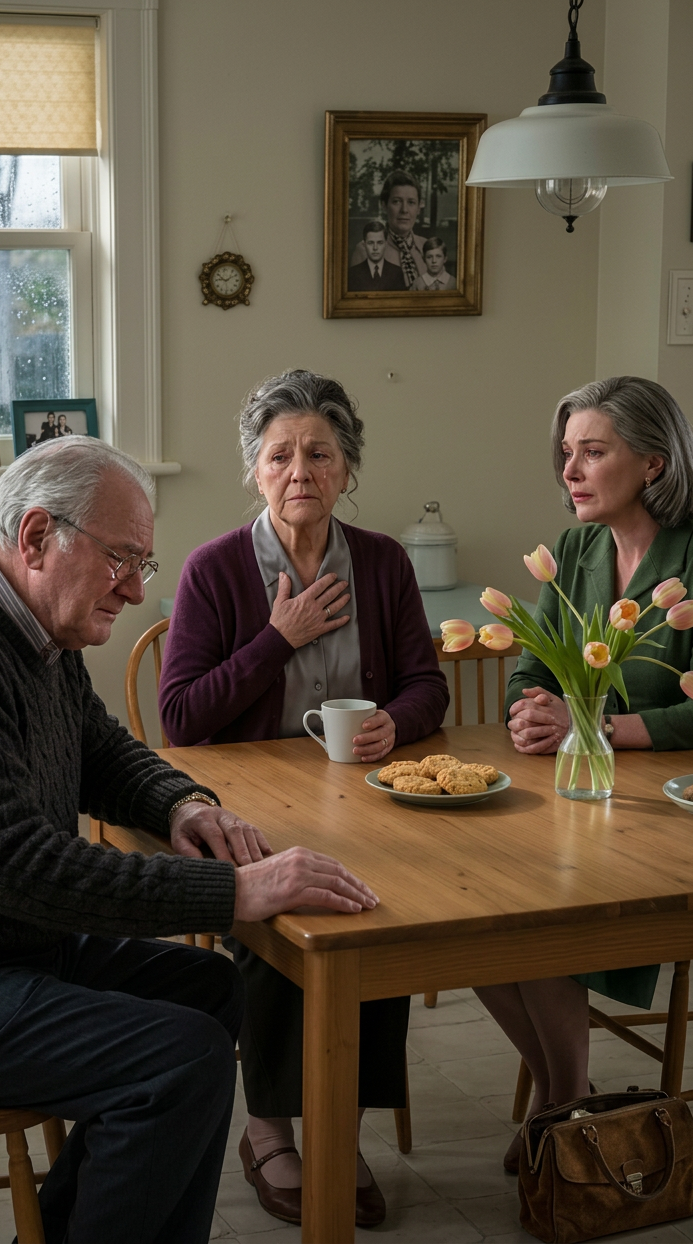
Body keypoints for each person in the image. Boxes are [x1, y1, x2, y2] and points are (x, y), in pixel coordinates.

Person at [0, 435, 380, 1244]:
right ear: (36, 537)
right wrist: (233, 891)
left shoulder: (31, 624)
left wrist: (180, 804)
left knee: (211, 990)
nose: (137, 589)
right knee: (177, 1059)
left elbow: (98, 748)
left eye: (144, 563)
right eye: (121, 559)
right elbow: (12, 866)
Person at [160, 369, 449, 1227]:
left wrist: (395, 723)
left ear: (346, 467)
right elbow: (181, 719)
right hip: (249, 808)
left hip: (359, 803)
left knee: (380, 916)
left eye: (319, 454)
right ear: (254, 469)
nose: (299, 472)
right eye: (280, 455)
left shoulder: (383, 563)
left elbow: (427, 686)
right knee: (277, 925)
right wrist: (274, 640)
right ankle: (268, 1131)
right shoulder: (214, 569)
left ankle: (338, 1128)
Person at [475, 376, 693, 1175]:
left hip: (673, 818)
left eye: (591, 452)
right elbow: (527, 673)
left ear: (652, 463)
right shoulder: (576, 550)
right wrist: (529, 715)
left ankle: (560, 1107)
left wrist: (591, 728)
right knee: (471, 912)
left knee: (546, 909)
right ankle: (564, 1100)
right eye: (566, 452)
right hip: (581, 801)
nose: (569, 470)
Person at [350, 170, 428, 288]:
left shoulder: (427, 247)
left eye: (411, 202)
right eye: (396, 201)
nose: (404, 210)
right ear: (384, 206)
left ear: (418, 209)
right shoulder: (365, 250)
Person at [347, 219, 407, 291]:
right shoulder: (352, 274)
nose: (375, 248)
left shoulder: (397, 272)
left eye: (380, 243)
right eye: (370, 243)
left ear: (386, 244)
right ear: (364, 244)